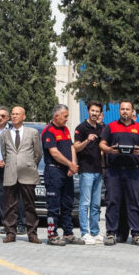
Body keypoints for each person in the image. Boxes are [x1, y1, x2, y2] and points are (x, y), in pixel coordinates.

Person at [99, 100, 139, 246]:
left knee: (134, 202)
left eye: (127, 109)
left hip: (133, 171)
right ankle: (110, 233)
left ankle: (137, 233)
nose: (125, 112)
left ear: (132, 111)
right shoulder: (111, 127)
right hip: (114, 171)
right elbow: (102, 144)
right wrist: (109, 150)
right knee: (112, 202)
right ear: (119, 111)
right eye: (122, 109)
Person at [0, 105, 43, 243]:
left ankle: (32, 234)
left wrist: (28, 165)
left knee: (29, 205)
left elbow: (38, 154)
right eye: (12, 114)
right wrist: (13, 164)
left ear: (24, 116)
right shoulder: (5, 134)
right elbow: (5, 154)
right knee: (10, 205)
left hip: (28, 173)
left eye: (17, 114)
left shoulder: (32, 132)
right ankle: (10, 233)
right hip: (11, 173)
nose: (14, 116)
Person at [41, 104, 80, 246]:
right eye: (65, 116)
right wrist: (70, 164)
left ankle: (68, 233)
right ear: (56, 116)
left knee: (67, 203)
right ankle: (52, 235)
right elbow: (54, 153)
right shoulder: (48, 131)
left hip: (67, 171)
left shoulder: (65, 129)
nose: (67, 119)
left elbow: (71, 147)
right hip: (54, 172)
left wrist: (73, 165)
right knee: (53, 205)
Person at [74, 101, 106, 245]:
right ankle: (84, 233)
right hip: (86, 170)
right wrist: (87, 140)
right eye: (92, 110)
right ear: (88, 111)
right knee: (85, 203)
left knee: (96, 204)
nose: (94, 113)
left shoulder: (101, 128)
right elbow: (76, 147)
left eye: (97, 111)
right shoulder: (81, 128)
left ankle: (95, 231)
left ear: (100, 113)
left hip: (98, 170)